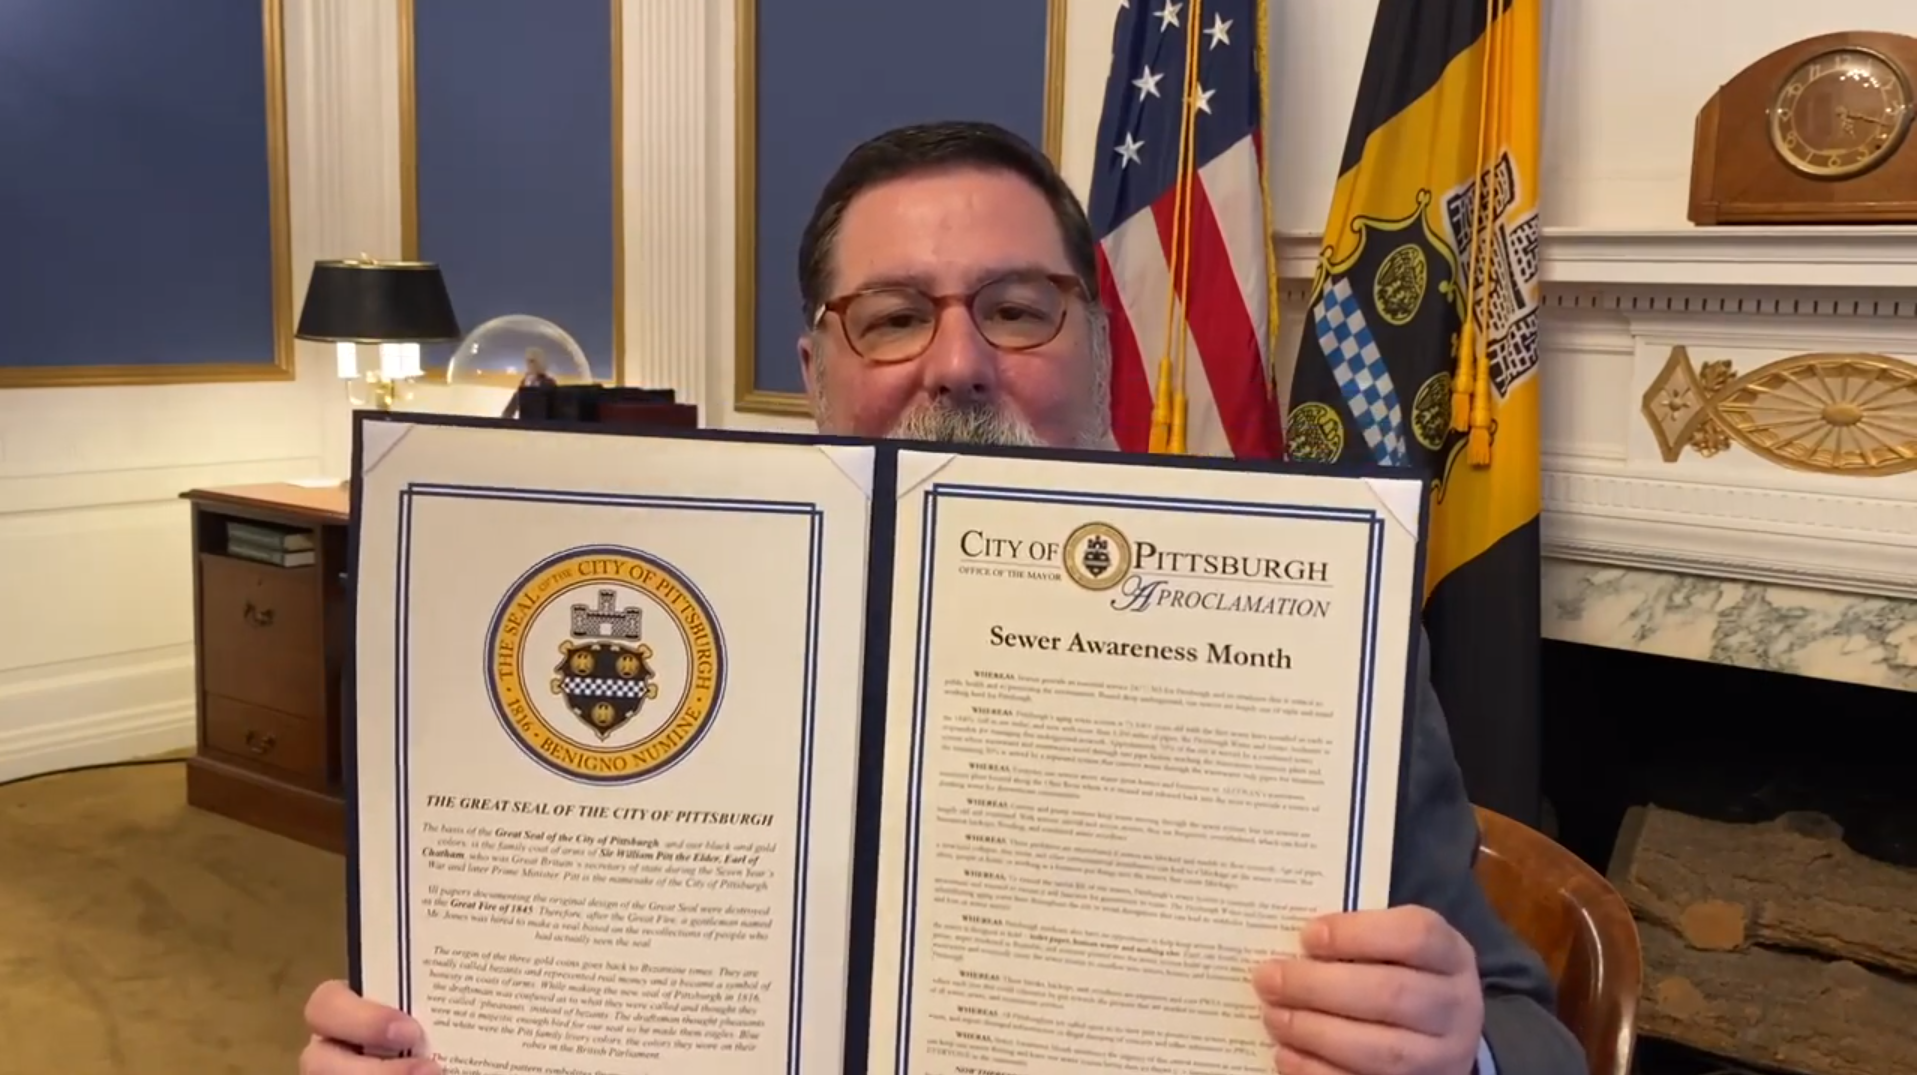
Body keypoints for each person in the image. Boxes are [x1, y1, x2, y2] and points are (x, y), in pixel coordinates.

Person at [300, 121, 1586, 1075]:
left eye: (1019, 310)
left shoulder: (1320, 630)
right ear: (816, 368)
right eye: (896, 316)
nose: (958, 363)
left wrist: (1456, 1050)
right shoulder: (700, 607)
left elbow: (1533, 1030)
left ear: (1097, 345)